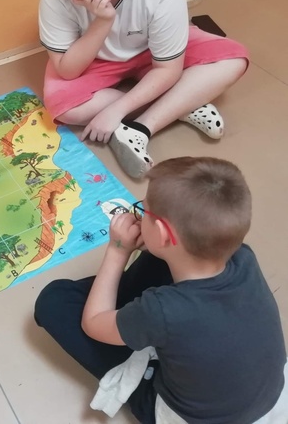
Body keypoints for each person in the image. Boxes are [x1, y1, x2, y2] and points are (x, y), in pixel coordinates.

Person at [34, 157, 287, 423]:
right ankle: (124, 313)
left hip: (189, 416)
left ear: (163, 233)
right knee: (162, 262)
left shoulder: (162, 310)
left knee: (54, 301)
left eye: (144, 211)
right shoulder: (244, 257)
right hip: (262, 396)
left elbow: (93, 324)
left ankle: (123, 319)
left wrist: (118, 251)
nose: (139, 214)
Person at [39, 0, 249, 178]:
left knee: (233, 61)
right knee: (67, 110)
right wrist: (102, 22)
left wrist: (117, 110)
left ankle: (140, 128)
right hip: (93, 56)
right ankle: (184, 101)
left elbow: (168, 68)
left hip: (152, 51)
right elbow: (67, 69)